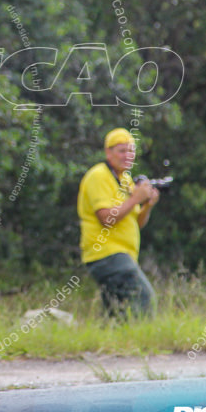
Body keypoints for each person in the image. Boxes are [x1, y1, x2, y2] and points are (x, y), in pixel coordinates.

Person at [77, 128, 159, 317]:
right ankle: (143, 340)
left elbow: (137, 223)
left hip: (124, 255)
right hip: (107, 253)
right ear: (108, 152)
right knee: (144, 297)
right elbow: (106, 218)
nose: (127, 156)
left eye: (131, 151)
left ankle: (112, 343)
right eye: (122, 151)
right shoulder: (99, 176)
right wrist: (134, 199)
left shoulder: (125, 180)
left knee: (116, 311)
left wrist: (147, 205)